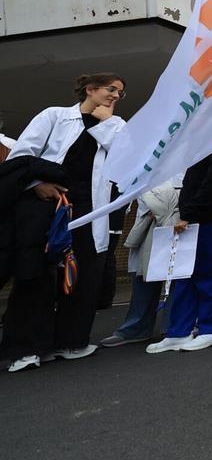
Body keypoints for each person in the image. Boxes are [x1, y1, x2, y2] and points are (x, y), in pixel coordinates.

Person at [1, 73, 128, 372]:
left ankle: (70, 342)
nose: (116, 96)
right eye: (111, 90)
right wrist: (36, 184)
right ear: (90, 89)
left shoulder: (117, 126)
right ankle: (26, 349)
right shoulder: (54, 116)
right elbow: (22, 155)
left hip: (90, 211)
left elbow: (124, 161)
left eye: (120, 93)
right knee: (37, 275)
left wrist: (106, 122)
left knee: (83, 276)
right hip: (47, 206)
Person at [147, 141, 212, 353]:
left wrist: (189, 214)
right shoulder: (204, 146)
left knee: (211, 273)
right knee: (184, 275)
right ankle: (179, 332)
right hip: (196, 219)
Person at [99, 177, 181, 348]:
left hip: (178, 203)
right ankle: (137, 327)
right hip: (148, 202)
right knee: (144, 271)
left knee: (177, 270)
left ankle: (174, 327)